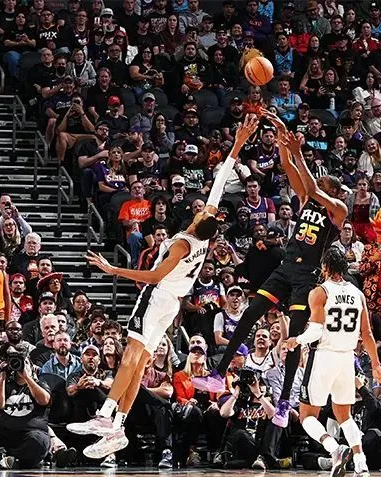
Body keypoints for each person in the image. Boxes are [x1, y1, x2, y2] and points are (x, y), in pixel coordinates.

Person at [65, 115, 261, 459]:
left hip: (157, 298)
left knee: (130, 356)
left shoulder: (183, 244)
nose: (204, 209)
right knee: (139, 364)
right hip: (172, 304)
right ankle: (118, 428)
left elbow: (155, 278)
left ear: (198, 221)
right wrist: (238, 145)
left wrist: (113, 269)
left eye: (203, 212)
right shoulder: (204, 239)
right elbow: (218, 185)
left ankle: (105, 414)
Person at [217, 109, 349, 429]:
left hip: (307, 276)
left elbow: (310, 184)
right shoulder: (306, 200)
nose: (314, 185)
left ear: (331, 191)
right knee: (251, 312)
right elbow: (289, 168)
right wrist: (280, 138)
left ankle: (286, 398)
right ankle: (219, 372)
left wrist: (298, 151)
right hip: (286, 267)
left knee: (293, 337)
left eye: (322, 184)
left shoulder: (338, 210)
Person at [283, 247, 381, 477]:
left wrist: (296, 340)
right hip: (347, 359)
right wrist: (375, 365)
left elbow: (316, 330)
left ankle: (334, 449)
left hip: (323, 356)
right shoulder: (357, 294)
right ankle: (361, 468)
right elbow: (367, 333)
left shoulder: (320, 292)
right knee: (345, 416)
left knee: (307, 416)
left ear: (325, 267)